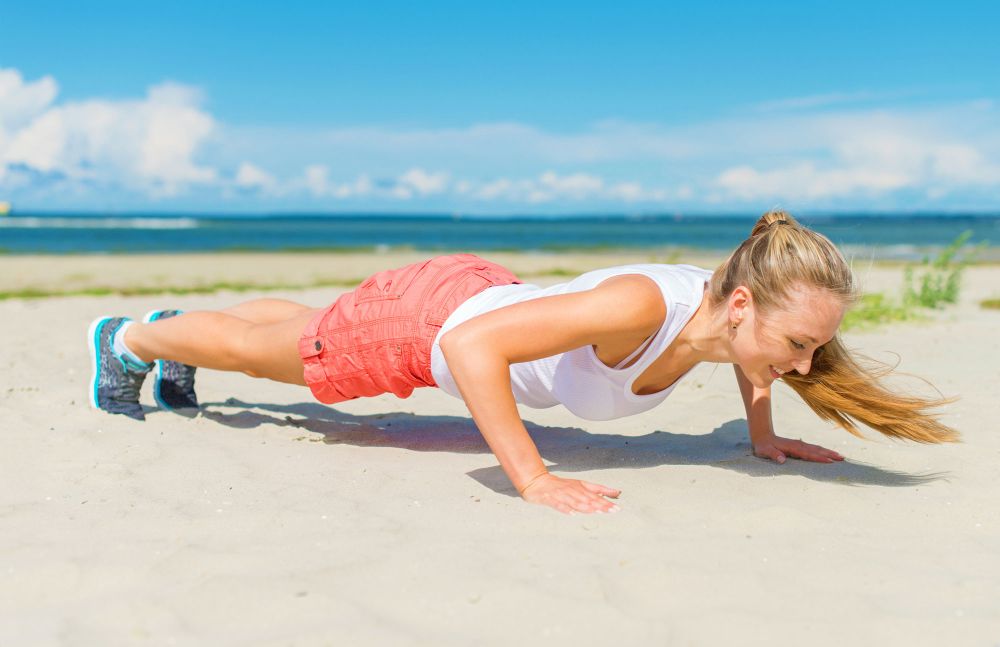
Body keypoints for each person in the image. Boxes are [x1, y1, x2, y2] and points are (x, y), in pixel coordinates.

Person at [87, 210, 958, 514]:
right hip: (429, 323)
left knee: (307, 326)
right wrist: (532, 477)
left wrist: (762, 435)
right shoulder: (648, 306)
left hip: (474, 291)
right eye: (799, 343)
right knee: (275, 359)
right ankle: (131, 338)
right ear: (741, 304)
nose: (804, 364)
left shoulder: (722, 310)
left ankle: (172, 326)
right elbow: (471, 349)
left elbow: (751, 359)